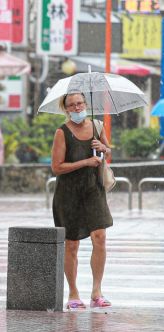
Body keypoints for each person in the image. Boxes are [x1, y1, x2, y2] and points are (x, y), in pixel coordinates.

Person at [51, 92, 113, 310]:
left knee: (100, 237)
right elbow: (57, 167)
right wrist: (86, 161)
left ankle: (97, 292)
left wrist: (104, 148)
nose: (77, 108)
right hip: (68, 194)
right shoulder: (62, 132)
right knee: (72, 244)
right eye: (72, 105)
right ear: (66, 109)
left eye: (80, 103)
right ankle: (74, 293)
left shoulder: (97, 125)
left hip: (94, 190)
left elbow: (108, 151)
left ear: (86, 104)